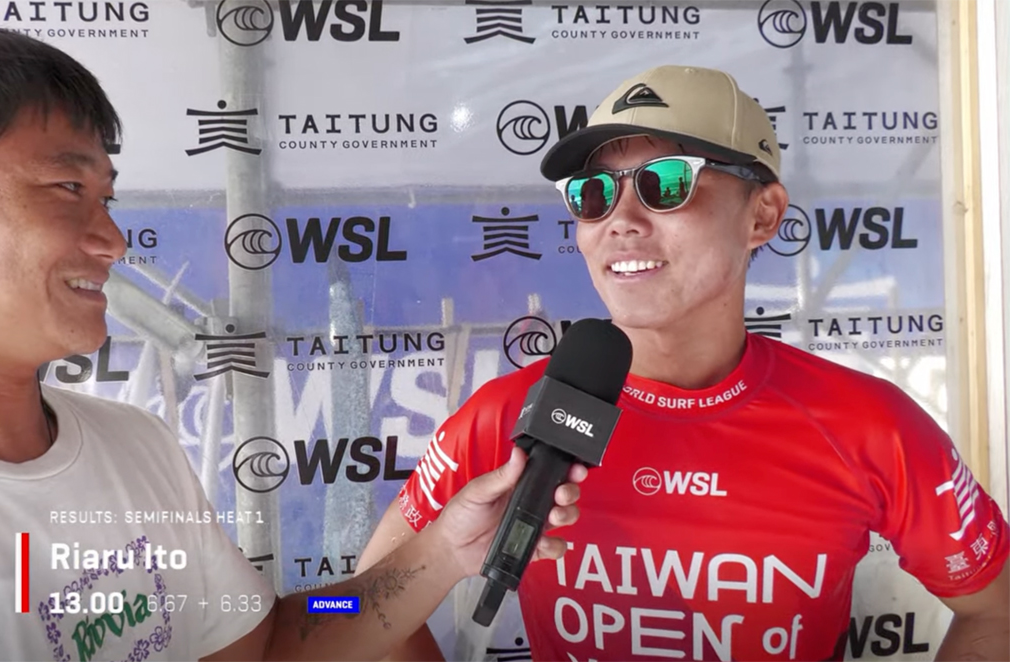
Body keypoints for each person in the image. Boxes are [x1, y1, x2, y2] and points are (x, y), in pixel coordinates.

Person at [0, 16, 588, 662]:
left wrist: (440, 554)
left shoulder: (134, 447)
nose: (113, 241)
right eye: (67, 188)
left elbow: (275, 636)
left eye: (106, 198)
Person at [359, 65, 1009, 661]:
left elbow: (997, 610)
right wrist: (426, 565)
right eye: (592, 193)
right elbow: (341, 609)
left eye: (665, 184)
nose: (620, 220)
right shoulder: (507, 416)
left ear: (763, 215)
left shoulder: (871, 425)